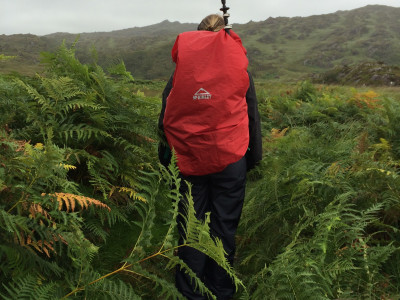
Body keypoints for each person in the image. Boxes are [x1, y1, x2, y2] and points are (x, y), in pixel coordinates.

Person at [158, 14, 262, 300]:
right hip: (230, 159)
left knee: (190, 226)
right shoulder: (240, 70)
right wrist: (252, 158)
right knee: (223, 226)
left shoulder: (182, 71)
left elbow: (165, 116)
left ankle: (190, 292)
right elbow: (251, 116)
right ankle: (221, 290)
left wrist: (167, 157)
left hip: (189, 160)